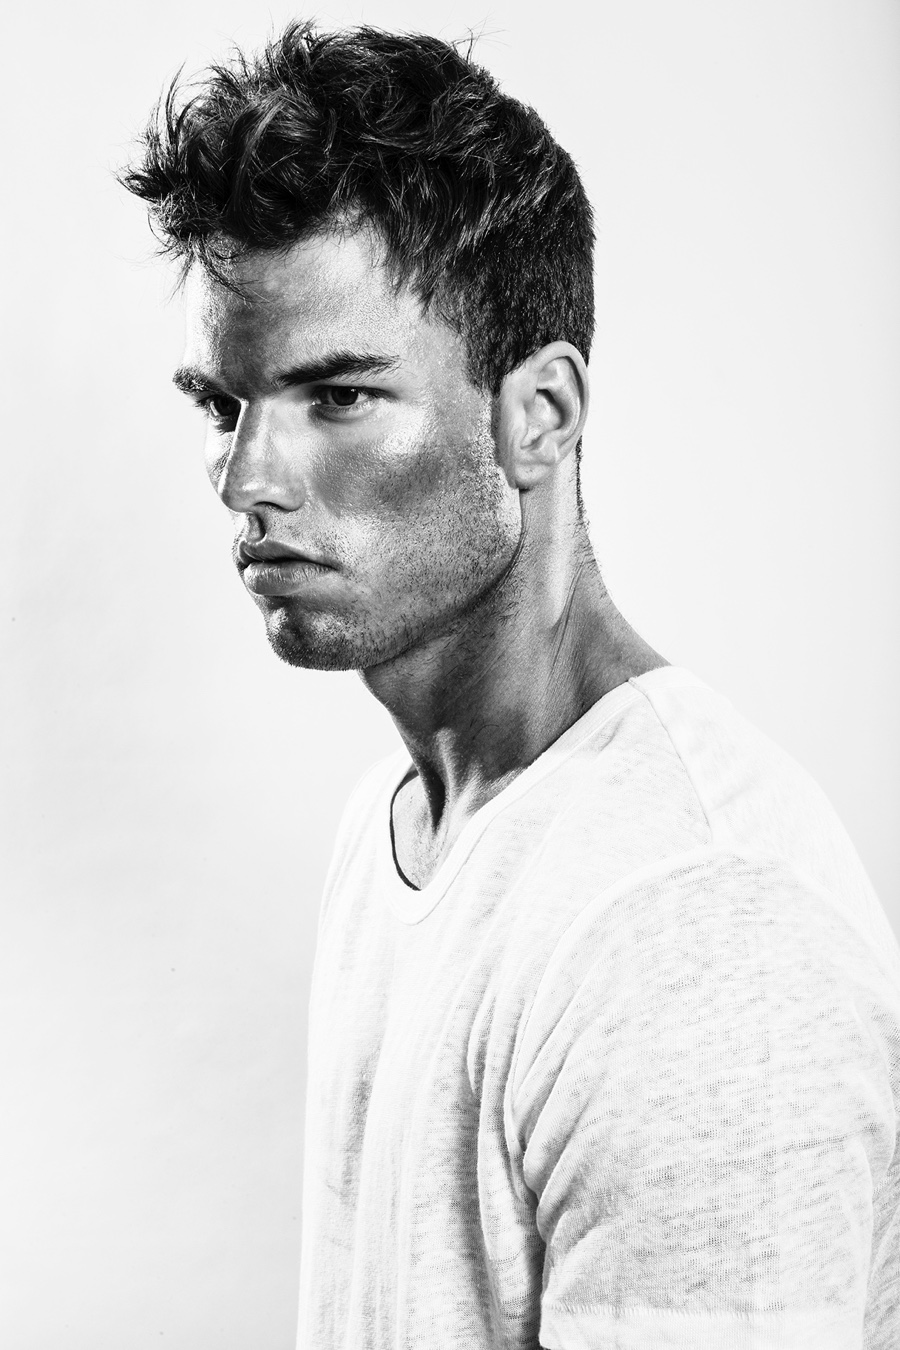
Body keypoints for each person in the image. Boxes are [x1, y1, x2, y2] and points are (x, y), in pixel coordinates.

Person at [121, 21, 900, 1349]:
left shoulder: (693, 929)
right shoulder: (397, 824)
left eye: (338, 396)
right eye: (222, 405)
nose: (249, 479)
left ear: (538, 415)